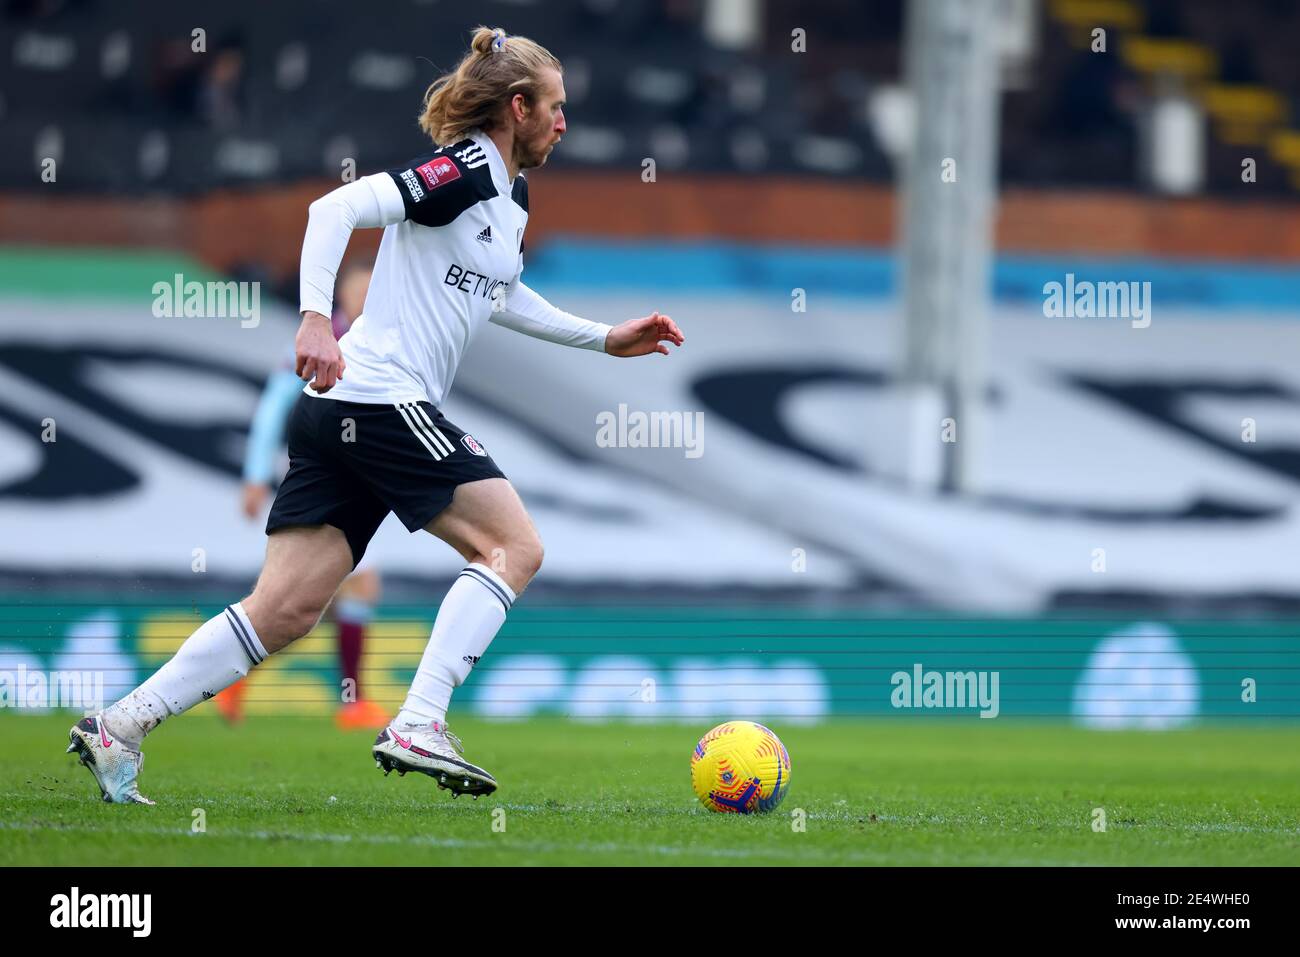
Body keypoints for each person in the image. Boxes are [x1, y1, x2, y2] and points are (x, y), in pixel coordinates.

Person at [66, 25, 684, 804]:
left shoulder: (511, 195)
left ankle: (119, 725)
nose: (566, 124)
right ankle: (421, 719)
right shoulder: (462, 168)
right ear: (518, 107)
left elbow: (502, 292)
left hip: (340, 414)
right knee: (513, 547)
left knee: (285, 609)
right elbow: (335, 208)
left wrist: (603, 338)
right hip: (381, 397)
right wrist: (316, 317)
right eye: (556, 108)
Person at [216, 263, 389, 731]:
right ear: (345, 295)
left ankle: (235, 676)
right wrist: (255, 476)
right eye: (363, 289)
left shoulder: (377, 338)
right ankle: (349, 701)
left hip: (357, 482)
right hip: (325, 480)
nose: (370, 296)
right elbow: (275, 400)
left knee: (310, 596)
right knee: (319, 592)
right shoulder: (328, 337)